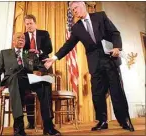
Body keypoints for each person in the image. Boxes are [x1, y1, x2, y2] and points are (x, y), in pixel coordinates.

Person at [43, 1, 134, 132]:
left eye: (75, 8)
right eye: (72, 10)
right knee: (97, 93)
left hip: (110, 59)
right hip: (95, 63)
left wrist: (116, 47)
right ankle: (102, 121)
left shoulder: (100, 16)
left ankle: (124, 119)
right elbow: (68, 45)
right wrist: (54, 58)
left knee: (116, 91)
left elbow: (115, 33)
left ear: (83, 6)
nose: (74, 11)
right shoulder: (76, 28)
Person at [0, 32, 61, 136]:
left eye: (23, 38)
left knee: (45, 83)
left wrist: (41, 71)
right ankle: (19, 127)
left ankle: (48, 125)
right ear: (13, 41)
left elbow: (40, 67)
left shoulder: (29, 53)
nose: (21, 39)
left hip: (29, 79)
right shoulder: (4, 53)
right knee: (16, 79)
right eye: (18, 37)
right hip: (13, 80)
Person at [23, 14, 53, 130]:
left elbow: (49, 48)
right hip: (29, 68)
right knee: (28, 95)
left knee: (46, 94)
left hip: (43, 66)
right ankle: (31, 122)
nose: (29, 26)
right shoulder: (23, 36)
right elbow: (20, 51)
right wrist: (27, 53)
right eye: (27, 24)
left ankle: (48, 124)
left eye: (31, 23)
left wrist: (38, 51)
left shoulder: (44, 34)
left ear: (35, 23)